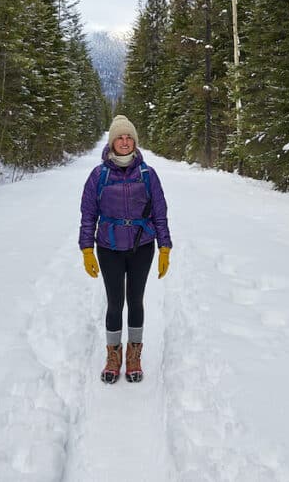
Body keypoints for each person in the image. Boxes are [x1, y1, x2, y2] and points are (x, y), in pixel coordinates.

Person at [79, 115, 172, 384]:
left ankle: (134, 355)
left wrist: (164, 246)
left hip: (142, 246)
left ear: (135, 141)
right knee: (114, 303)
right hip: (109, 247)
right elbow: (88, 215)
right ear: (111, 142)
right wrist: (87, 248)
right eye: (119, 137)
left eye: (129, 137)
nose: (124, 141)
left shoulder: (148, 175)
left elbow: (160, 213)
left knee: (136, 301)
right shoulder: (99, 175)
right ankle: (113, 355)